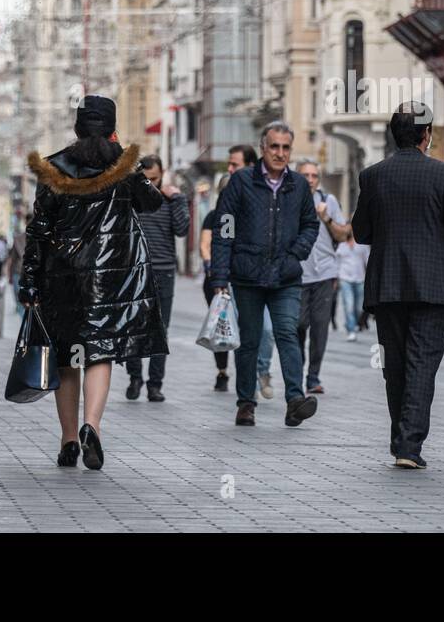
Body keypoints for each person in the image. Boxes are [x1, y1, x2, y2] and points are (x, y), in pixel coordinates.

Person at [19, 95, 165, 470]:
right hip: (108, 280)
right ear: (113, 129)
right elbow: (152, 202)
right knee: (99, 352)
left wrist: (30, 281)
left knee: (67, 358)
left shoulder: (54, 168)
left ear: (76, 129)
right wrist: (125, 159)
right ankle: (91, 426)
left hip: (61, 277)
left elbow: (39, 229)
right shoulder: (123, 168)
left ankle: (68, 440)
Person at [351, 101, 444, 469]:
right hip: (433, 288)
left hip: (387, 286)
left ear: (393, 135)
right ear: (427, 134)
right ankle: (408, 446)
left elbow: (361, 232)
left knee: (396, 366)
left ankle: (400, 437)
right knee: (422, 365)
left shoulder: (373, 175)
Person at [209, 121, 320, 428]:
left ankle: (295, 400)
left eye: (285, 147)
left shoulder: (298, 184)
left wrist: (296, 252)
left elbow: (311, 224)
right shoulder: (242, 181)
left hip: (286, 276)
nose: (280, 153)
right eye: (274, 146)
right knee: (250, 341)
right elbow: (224, 227)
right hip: (247, 276)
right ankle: (246, 403)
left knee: (287, 332)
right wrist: (219, 278)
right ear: (263, 148)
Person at [199, 145, 270, 394]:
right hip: (232, 275)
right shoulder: (222, 210)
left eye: (234, 165)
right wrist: (218, 272)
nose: (229, 170)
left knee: (261, 331)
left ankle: (260, 374)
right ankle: (237, 381)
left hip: (259, 275)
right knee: (231, 328)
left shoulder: (265, 198)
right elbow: (219, 238)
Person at [124, 156, 190, 402]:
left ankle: (155, 384)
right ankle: (134, 377)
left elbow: (182, 230)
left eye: (155, 179)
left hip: (164, 271)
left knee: (160, 330)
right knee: (132, 327)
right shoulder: (130, 199)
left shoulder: (170, 199)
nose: (151, 185)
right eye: (146, 180)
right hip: (134, 270)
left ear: (163, 175)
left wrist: (179, 199)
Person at [295, 160, 351, 395]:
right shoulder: (290, 199)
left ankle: (313, 377)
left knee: (320, 328)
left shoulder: (328, 201)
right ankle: (295, 374)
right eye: (305, 175)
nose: (310, 179)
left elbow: (344, 233)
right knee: (297, 326)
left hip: (325, 274)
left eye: (314, 175)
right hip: (297, 275)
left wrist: (327, 218)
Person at [336, 235, 370, 341]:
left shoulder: (362, 244)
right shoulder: (341, 244)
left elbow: (368, 261)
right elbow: (337, 261)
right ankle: (351, 330)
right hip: (345, 278)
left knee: (359, 308)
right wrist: (335, 278)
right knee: (348, 304)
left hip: (360, 279)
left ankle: (352, 322)